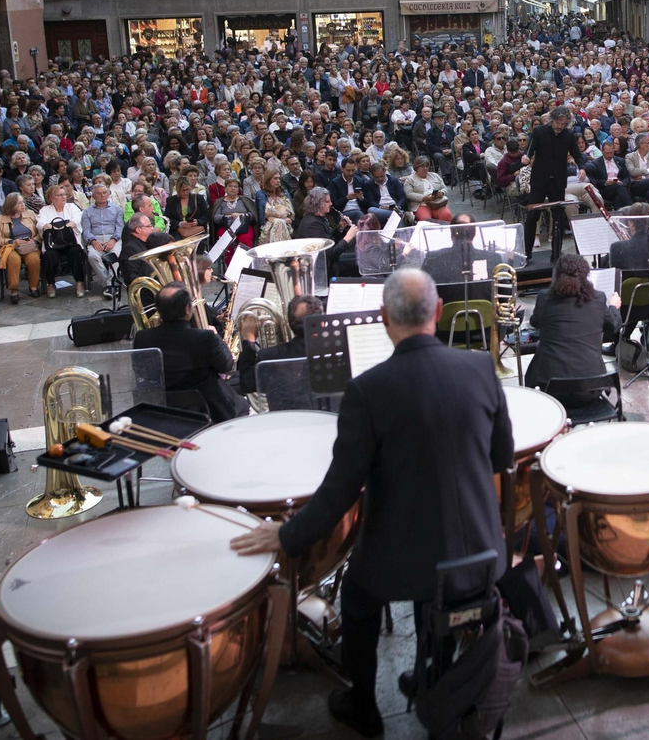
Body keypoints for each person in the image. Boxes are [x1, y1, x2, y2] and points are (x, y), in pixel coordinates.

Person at [229, 268, 512, 738]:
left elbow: (341, 489)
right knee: (431, 586)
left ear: (383, 319)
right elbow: (501, 457)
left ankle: (363, 706)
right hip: (480, 552)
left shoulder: (367, 390)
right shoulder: (481, 367)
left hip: (404, 560)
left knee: (358, 596)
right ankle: (428, 677)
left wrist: (286, 535)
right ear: (438, 313)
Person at [133, 280, 245, 423]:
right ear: (187, 309)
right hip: (208, 409)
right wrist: (216, 336)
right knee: (243, 399)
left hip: (162, 408)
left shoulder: (142, 337)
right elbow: (226, 366)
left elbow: (142, 374)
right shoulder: (206, 337)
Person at [524, 252, 620, 391]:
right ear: (586, 276)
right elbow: (614, 326)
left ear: (556, 275)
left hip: (550, 386)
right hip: (591, 385)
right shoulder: (598, 298)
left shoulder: (544, 297)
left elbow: (534, 322)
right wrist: (613, 306)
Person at [522, 106, 589, 261]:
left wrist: (582, 168)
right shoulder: (539, 132)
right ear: (552, 120)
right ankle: (527, 252)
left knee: (558, 216)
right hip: (540, 179)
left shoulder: (568, 134)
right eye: (558, 123)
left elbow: (577, 154)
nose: (560, 126)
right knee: (533, 215)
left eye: (563, 124)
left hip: (558, 181)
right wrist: (526, 157)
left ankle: (556, 254)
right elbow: (530, 149)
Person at [235, 293, 322, 396]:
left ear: (289, 324)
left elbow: (246, 384)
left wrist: (249, 340)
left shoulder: (269, 356)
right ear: (322, 323)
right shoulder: (336, 350)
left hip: (285, 411)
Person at [37, 185, 87, 298]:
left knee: (75, 252)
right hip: (53, 243)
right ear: (51, 197)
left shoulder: (72, 207)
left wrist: (68, 224)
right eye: (59, 195)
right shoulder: (45, 210)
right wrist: (47, 225)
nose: (63, 197)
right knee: (49, 256)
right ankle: (51, 283)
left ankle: (79, 282)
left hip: (70, 241)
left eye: (64, 194)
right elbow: (40, 223)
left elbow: (77, 218)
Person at [0, 192, 44, 302]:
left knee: (34, 260)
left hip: (29, 245)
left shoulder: (30, 214)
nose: (23, 205)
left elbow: (39, 232)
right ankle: (14, 290)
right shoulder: (0, 218)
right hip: (12, 246)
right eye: (19, 203)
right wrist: (13, 241)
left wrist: (35, 240)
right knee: (14, 260)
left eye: (23, 202)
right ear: (11, 205)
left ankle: (33, 286)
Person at [81, 182, 125, 294]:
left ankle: (109, 284)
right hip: (96, 239)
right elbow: (86, 230)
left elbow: (120, 227)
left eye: (104, 193)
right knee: (92, 256)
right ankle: (109, 283)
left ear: (108, 194)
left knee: (116, 255)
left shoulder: (117, 209)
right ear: (93, 196)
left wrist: (113, 240)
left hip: (113, 238)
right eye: (99, 194)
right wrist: (93, 241)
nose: (102, 195)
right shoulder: (87, 212)